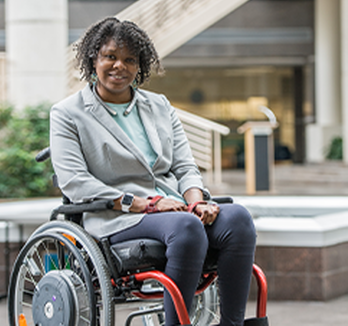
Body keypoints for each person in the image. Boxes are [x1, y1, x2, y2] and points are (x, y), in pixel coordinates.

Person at [50, 17, 256, 326]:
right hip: (118, 216)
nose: (119, 66)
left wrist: (197, 200)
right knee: (186, 227)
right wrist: (146, 203)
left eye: (129, 59)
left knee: (237, 218)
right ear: (94, 59)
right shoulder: (68, 113)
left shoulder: (159, 106)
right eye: (110, 56)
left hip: (176, 211)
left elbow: (185, 166)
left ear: (139, 66)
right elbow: (75, 183)